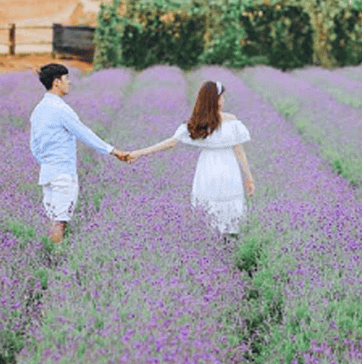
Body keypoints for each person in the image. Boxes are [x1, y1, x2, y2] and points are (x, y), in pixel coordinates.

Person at [129, 81, 255, 235]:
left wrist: (248, 176)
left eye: (222, 98)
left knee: (217, 207)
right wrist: (249, 177)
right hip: (220, 167)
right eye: (220, 98)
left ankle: (217, 243)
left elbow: (171, 142)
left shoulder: (212, 122)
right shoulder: (216, 121)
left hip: (217, 167)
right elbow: (239, 151)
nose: (222, 101)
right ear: (211, 100)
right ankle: (222, 243)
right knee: (221, 209)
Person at [30, 63, 132, 243]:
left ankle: (50, 255)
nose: (69, 82)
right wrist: (113, 151)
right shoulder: (61, 110)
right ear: (56, 83)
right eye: (65, 79)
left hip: (46, 173)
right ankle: (56, 259)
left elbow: (34, 146)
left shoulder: (38, 110)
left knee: (53, 218)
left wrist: (46, 162)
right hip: (62, 173)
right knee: (59, 222)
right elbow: (84, 133)